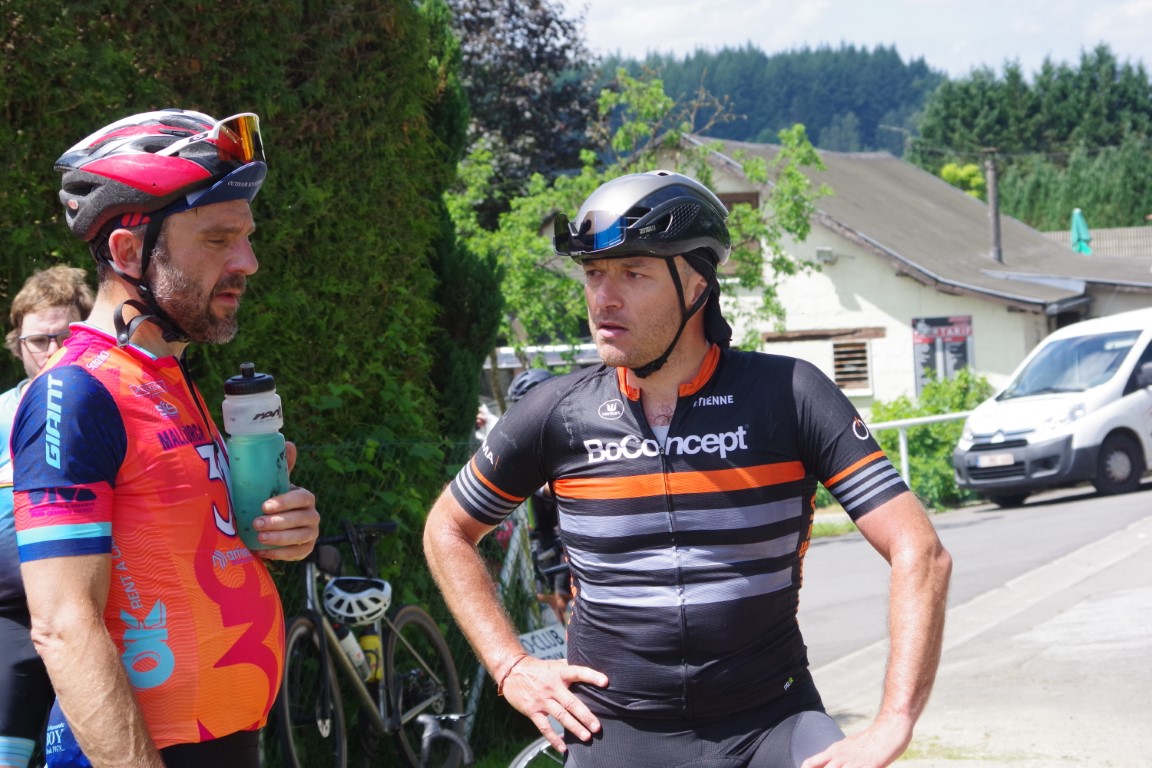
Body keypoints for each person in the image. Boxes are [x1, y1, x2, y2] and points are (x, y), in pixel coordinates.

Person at [424, 170, 952, 768]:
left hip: (772, 724)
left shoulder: (790, 395)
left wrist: (895, 720)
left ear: (697, 285)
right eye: (594, 274)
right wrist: (510, 664)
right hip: (611, 731)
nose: (604, 298)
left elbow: (920, 551)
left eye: (634, 273)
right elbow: (447, 529)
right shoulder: (556, 412)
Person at [11, 109, 321, 768]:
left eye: (246, 237)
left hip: (226, 742)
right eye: (218, 240)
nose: (248, 262)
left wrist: (277, 533)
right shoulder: (76, 392)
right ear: (129, 253)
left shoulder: (164, 377)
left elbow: (178, 557)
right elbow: (63, 625)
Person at [0, 266, 94, 768]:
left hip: (94, 616)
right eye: (39, 340)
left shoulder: (107, 406)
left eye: (65, 337)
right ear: (18, 344)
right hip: (11, 617)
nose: (52, 351)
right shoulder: (0, 414)